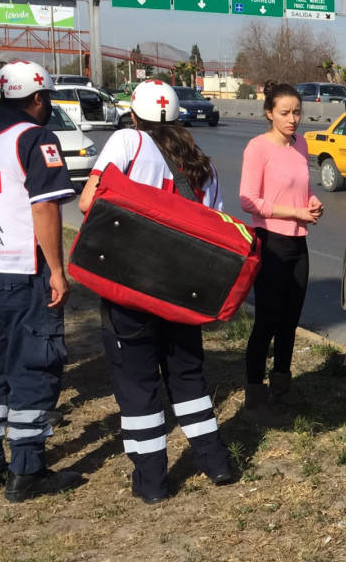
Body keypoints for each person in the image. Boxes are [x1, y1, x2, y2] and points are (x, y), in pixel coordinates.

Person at [77, 79, 234, 504]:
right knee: (187, 375)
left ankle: (151, 483)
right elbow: (214, 225)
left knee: (138, 382)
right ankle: (216, 461)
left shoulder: (127, 141)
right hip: (181, 290)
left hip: (130, 282)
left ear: (134, 115)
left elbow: (87, 203)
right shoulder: (202, 162)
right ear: (178, 116)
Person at [0, 60, 83, 501]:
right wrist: (57, 269)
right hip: (23, 271)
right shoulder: (36, 138)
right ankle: (26, 469)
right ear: (37, 99)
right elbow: (45, 208)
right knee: (33, 363)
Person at [239, 81, 323, 423]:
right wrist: (294, 212)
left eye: (297, 112)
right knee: (267, 323)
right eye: (285, 113)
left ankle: (281, 394)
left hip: (298, 242)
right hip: (271, 242)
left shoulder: (300, 144)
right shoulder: (257, 148)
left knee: (290, 322)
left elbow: (300, 188)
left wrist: (311, 202)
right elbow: (248, 200)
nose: (293, 120)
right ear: (269, 113)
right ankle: (254, 397)